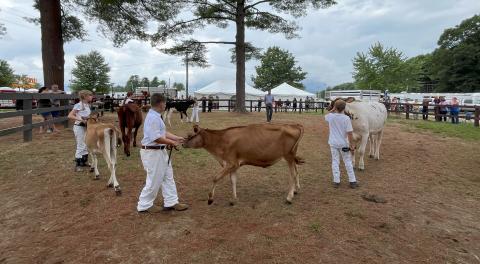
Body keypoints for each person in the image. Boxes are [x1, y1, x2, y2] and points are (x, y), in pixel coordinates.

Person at [137, 93, 189, 213]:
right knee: (154, 179)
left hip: (159, 152)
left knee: (168, 176)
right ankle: (144, 205)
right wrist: (171, 142)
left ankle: (171, 201)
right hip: (152, 153)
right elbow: (156, 138)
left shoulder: (156, 116)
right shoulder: (153, 118)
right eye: (165, 102)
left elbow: (163, 133)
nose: (166, 104)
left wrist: (177, 138)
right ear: (160, 103)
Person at [325, 99, 357, 189]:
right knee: (347, 161)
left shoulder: (330, 116)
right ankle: (352, 181)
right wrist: (351, 144)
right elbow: (349, 133)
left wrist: (333, 109)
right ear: (344, 108)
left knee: (335, 161)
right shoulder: (346, 118)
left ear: (335, 107)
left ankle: (336, 181)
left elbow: (326, 116)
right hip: (343, 143)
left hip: (333, 143)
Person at [67, 90, 93, 172]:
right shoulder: (78, 105)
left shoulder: (87, 105)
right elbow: (70, 115)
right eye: (90, 95)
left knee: (85, 144)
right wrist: (80, 119)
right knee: (80, 145)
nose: (92, 97)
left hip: (85, 127)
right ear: (85, 96)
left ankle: (84, 162)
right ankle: (77, 165)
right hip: (79, 127)